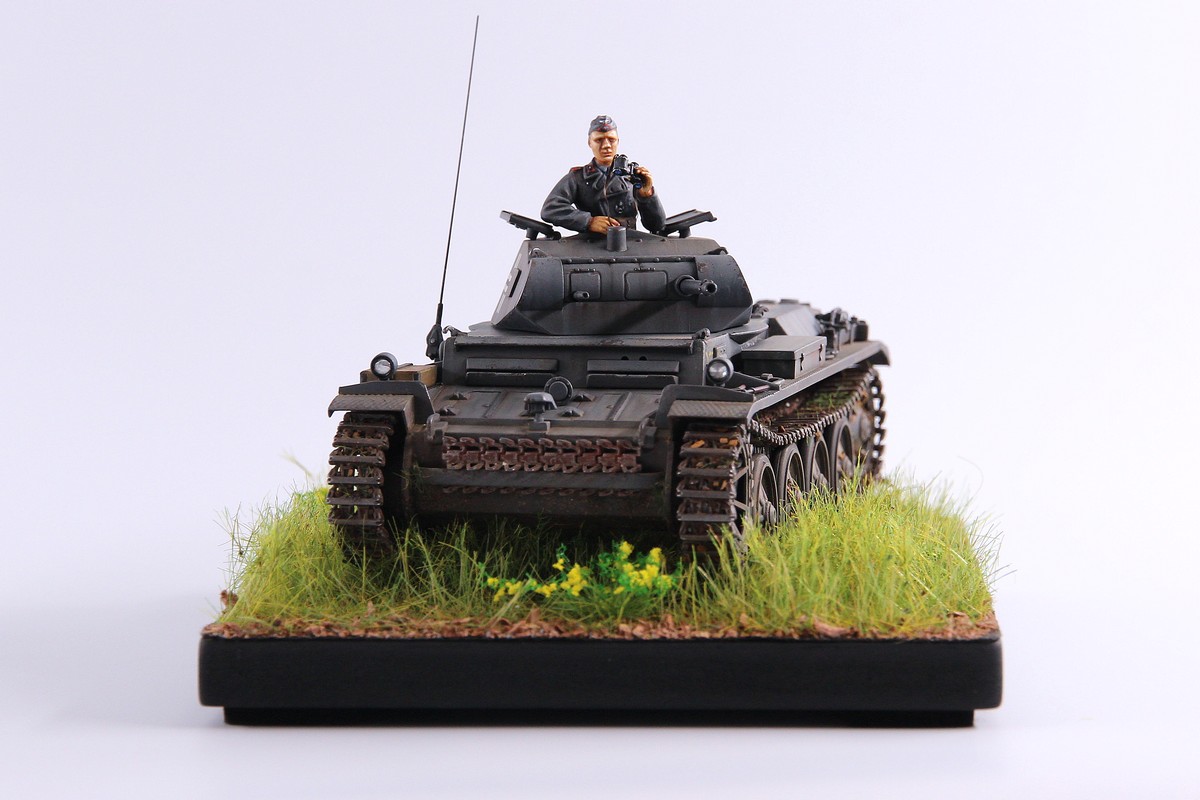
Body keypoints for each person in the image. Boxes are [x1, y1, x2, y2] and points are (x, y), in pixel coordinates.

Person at [541, 115, 666, 234]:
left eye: (611, 140)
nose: (606, 145)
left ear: (618, 141)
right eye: (599, 140)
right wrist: (588, 221)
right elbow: (550, 209)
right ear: (590, 143)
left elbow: (656, 225)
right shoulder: (578, 177)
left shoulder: (634, 176)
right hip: (591, 243)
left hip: (631, 241)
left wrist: (646, 195)